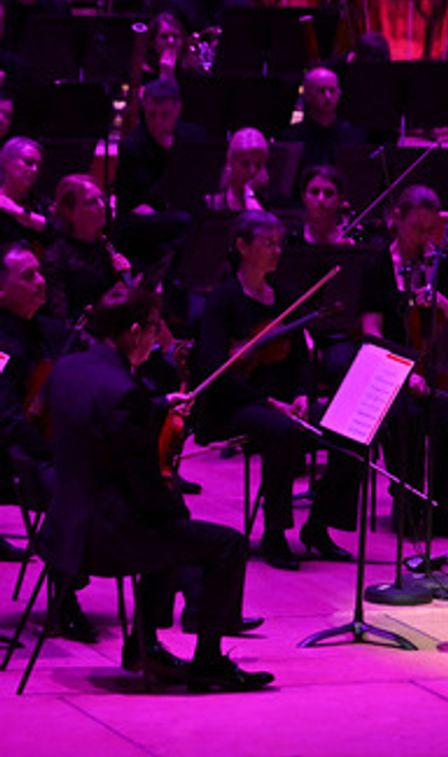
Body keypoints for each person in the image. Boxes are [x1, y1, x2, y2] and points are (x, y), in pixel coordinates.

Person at [38, 283, 274, 691]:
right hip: (105, 539)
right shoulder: (124, 392)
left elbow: (104, 420)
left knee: (172, 527)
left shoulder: (70, 368)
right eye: (153, 327)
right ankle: (208, 665)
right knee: (222, 542)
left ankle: (145, 644)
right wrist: (171, 503)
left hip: (64, 526)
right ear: (133, 331)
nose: (157, 335)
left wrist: (156, 407)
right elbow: (143, 483)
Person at [193, 211, 359, 569]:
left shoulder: (285, 297)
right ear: (241, 246)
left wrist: (301, 393)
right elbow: (213, 370)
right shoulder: (223, 300)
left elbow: (302, 358)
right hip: (233, 404)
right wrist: (267, 401)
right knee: (282, 432)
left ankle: (318, 524)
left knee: (351, 427)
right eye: (267, 243)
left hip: (283, 403)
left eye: (278, 243)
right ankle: (274, 532)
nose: (276, 251)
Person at [361, 186, 448, 536]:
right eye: (417, 229)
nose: (425, 239)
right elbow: (371, 332)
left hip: (438, 369)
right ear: (396, 220)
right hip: (392, 370)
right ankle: (409, 502)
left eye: (431, 230)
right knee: (406, 416)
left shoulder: (445, 266)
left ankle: (447, 506)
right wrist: (402, 373)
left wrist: (446, 305)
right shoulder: (377, 266)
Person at [0, 242, 69, 567]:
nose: (41, 281)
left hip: (40, 449)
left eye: (39, 272)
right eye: (28, 276)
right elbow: (6, 418)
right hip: (12, 460)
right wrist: (52, 449)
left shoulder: (45, 331)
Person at [112, 77, 207, 267]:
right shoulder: (132, 146)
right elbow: (131, 202)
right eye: (151, 114)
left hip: (183, 209)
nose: (157, 122)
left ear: (177, 110)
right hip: (148, 221)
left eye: (165, 115)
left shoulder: (193, 137)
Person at [41, 175, 133, 321]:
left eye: (101, 199)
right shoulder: (56, 257)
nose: (102, 206)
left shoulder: (104, 247)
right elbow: (60, 318)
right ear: (69, 212)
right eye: (92, 202)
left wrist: (124, 280)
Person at [281, 66, 367, 172]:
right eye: (321, 91)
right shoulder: (292, 138)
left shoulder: (353, 136)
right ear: (307, 95)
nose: (328, 96)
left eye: (332, 90)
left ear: (339, 94)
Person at [204, 128, 282, 212]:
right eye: (245, 164)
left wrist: (248, 193)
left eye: (258, 165)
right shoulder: (212, 203)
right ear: (230, 161)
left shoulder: (273, 202)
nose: (253, 171)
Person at [0, 135, 48, 246]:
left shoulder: (39, 204)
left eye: (38, 165)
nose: (35, 170)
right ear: (7, 162)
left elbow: (55, 230)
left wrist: (17, 211)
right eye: (28, 162)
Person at [293, 165, 352, 247]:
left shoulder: (351, 240)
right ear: (303, 196)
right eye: (314, 192)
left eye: (329, 193)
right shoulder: (291, 239)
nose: (321, 199)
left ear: (340, 199)